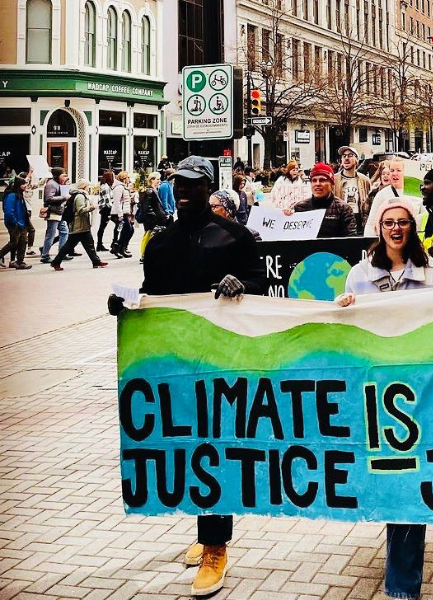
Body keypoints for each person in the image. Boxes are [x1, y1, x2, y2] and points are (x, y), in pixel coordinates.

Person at [109, 156, 264, 598]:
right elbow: (154, 297)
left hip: (222, 359)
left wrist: (242, 285)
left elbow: (263, 284)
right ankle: (204, 529)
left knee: (216, 446)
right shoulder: (158, 242)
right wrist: (126, 307)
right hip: (175, 363)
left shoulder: (236, 236)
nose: (182, 190)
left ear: (208, 189)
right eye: (178, 183)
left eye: (193, 184)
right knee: (187, 445)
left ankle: (217, 546)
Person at [335, 198, 433, 600]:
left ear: (413, 227)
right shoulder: (359, 275)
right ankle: (397, 553)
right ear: (379, 227)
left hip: (420, 390)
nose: (396, 229)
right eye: (389, 223)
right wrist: (345, 308)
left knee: (408, 477)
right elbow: (344, 330)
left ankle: (402, 584)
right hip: (376, 389)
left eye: (403, 222)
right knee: (386, 476)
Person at [49, 179, 107, 270]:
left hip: (82, 225)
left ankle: (96, 261)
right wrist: (92, 207)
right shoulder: (80, 196)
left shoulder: (81, 195)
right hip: (79, 225)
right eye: (88, 186)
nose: (89, 188)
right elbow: (80, 210)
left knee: (89, 245)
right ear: (83, 186)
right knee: (69, 246)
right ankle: (56, 262)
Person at [293, 163, 357, 238]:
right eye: (314, 180)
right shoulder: (300, 208)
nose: (317, 184)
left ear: (332, 184)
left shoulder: (343, 209)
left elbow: (350, 240)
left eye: (322, 180)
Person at [333, 146, 371, 231]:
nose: (346, 158)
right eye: (344, 156)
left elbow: (369, 202)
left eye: (350, 155)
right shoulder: (334, 180)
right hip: (340, 221)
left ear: (357, 159)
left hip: (359, 220)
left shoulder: (364, 180)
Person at [0, 175, 32, 269]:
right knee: (14, 242)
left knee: (23, 241)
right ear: (19, 185)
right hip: (15, 223)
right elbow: (9, 212)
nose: (25, 186)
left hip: (22, 222)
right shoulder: (11, 196)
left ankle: (20, 262)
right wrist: (15, 222)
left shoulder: (19, 195)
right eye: (23, 184)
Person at [138, 172, 171, 260]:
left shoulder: (153, 189)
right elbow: (147, 207)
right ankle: (144, 254)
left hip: (154, 218)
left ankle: (147, 253)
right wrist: (154, 217)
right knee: (148, 236)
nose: (159, 181)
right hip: (151, 219)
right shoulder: (150, 190)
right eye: (157, 179)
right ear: (152, 180)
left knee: (150, 236)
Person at [40, 168, 70, 263]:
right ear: (57, 175)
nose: (65, 177)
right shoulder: (51, 184)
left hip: (59, 211)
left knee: (64, 231)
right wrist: (64, 197)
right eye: (63, 175)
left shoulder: (57, 184)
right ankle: (45, 255)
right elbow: (49, 198)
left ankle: (62, 253)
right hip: (53, 211)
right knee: (51, 234)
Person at [110, 171, 135, 258]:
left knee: (129, 230)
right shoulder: (119, 187)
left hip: (125, 212)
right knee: (127, 230)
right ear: (124, 178)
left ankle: (121, 248)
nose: (129, 179)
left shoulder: (124, 187)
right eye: (127, 177)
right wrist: (120, 214)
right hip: (119, 213)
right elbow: (117, 201)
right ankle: (117, 247)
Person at [96, 171, 114, 251]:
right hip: (106, 209)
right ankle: (100, 244)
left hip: (106, 208)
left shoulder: (106, 186)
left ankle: (100, 244)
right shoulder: (105, 187)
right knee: (102, 226)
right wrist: (112, 209)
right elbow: (107, 200)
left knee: (102, 226)